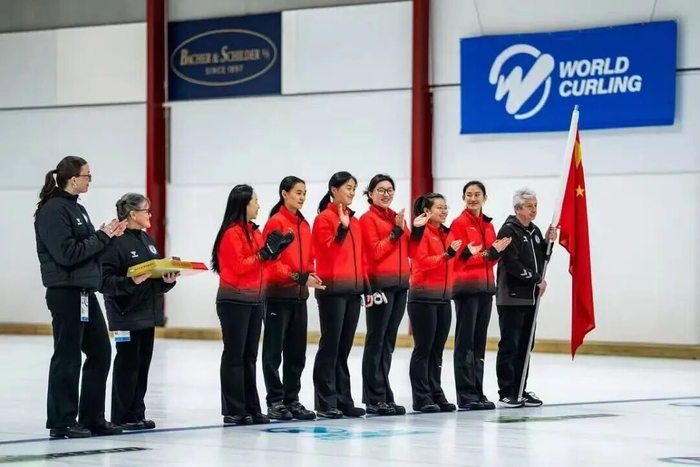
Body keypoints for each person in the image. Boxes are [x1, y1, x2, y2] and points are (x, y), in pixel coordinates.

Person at [34, 156, 126, 438]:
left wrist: (108, 236)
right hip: (65, 292)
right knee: (68, 356)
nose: (90, 180)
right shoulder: (53, 211)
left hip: (85, 291)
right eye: (87, 175)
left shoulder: (77, 208)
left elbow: (88, 249)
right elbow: (67, 254)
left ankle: (92, 417)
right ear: (73, 179)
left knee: (101, 352)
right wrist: (101, 236)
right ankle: (61, 421)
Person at [211, 184, 292, 425]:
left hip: (255, 300)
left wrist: (276, 252)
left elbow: (261, 266)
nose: (258, 205)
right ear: (243, 204)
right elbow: (238, 266)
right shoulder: (231, 233)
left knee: (250, 356)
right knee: (235, 355)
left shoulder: (254, 232)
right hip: (234, 300)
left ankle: (251, 407)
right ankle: (234, 409)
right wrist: (264, 254)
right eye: (254, 201)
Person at [101, 193, 179, 430]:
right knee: (127, 365)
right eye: (146, 211)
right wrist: (129, 282)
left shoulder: (147, 239)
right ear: (133, 214)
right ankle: (122, 415)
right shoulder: (115, 241)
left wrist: (167, 280)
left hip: (147, 313)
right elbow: (104, 281)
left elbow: (151, 279)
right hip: (125, 314)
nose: (150, 215)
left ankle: (137, 413)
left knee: (142, 365)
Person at [262, 176, 322, 421]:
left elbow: (309, 257)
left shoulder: (304, 224)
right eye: (298, 192)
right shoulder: (275, 222)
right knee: (274, 351)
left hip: (299, 297)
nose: (302, 197)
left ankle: (291, 399)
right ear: (284, 194)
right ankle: (275, 401)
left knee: (297, 352)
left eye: (304, 193)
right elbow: (271, 263)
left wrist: (310, 274)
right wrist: (299, 277)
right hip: (277, 296)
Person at [311, 171, 370, 419]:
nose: (352, 192)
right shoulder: (323, 219)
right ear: (334, 190)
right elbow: (325, 252)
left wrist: (366, 287)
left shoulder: (354, 222)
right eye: (348, 187)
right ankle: (325, 401)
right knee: (331, 345)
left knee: (344, 348)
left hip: (353, 291)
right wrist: (342, 229)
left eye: (354, 188)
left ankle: (343, 399)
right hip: (332, 291)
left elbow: (361, 258)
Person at [451, 181, 511, 410]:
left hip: (486, 290)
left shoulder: (488, 225)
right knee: (465, 343)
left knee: (479, 343)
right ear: (463, 198)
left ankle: (477, 390)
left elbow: (492, 259)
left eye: (477, 194)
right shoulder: (459, 224)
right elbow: (460, 259)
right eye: (469, 194)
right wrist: (488, 254)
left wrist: (494, 253)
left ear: (485, 198)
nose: (473, 198)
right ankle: (465, 394)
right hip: (466, 290)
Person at [495, 188, 556, 408]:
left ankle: (520, 388)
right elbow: (511, 264)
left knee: (525, 345)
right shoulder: (508, 230)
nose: (534, 210)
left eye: (535, 205)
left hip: (531, 299)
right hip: (512, 298)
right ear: (517, 208)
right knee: (510, 345)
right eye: (529, 206)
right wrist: (536, 279)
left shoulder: (535, 231)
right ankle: (506, 391)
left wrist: (548, 243)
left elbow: (542, 259)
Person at [359, 174, 409, 416]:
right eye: (380, 190)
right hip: (380, 285)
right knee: (376, 340)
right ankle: (373, 397)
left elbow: (408, 249)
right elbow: (374, 252)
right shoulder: (367, 220)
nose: (386, 194)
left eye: (390, 190)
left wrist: (412, 228)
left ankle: (385, 393)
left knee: (388, 342)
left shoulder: (396, 218)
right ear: (370, 194)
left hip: (400, 286)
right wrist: (395, 233)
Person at [407, 193, 461, 413]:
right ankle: (421, 397)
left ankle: (436, 392)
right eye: (439, 207)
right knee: (424, 348)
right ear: (427, 211)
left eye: (445, 207)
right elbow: (422, 262)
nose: (444, 211)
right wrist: (446, 255)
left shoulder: (447, 234)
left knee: (437, 350)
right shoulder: (422, 233)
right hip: (423, 298)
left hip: (443, 298)